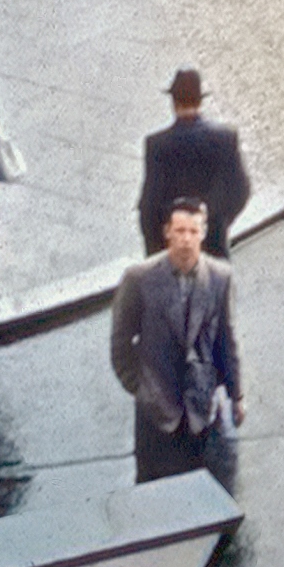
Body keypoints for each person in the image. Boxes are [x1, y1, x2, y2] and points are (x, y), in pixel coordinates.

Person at [111, 198, 244, 484]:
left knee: (208, 490)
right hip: (157, 412)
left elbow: (227, 340)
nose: (186, 240)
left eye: (193, 232)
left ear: (204, 233)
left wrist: (236, 394)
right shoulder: (139, 279)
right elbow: (120, 343)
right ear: (167, 232)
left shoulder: (220, 278)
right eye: (180, 231)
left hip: (202, 409)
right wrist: (140, 387)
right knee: (154, 492)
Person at [139, 68, 250, 260]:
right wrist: (217, 222)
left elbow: (149, 206)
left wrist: (157, 251)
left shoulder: (157, 145)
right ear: (200, 101)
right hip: (213, 244)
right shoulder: (225, 138)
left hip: (172, 251)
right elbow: (240, 191)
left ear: (174, 103)